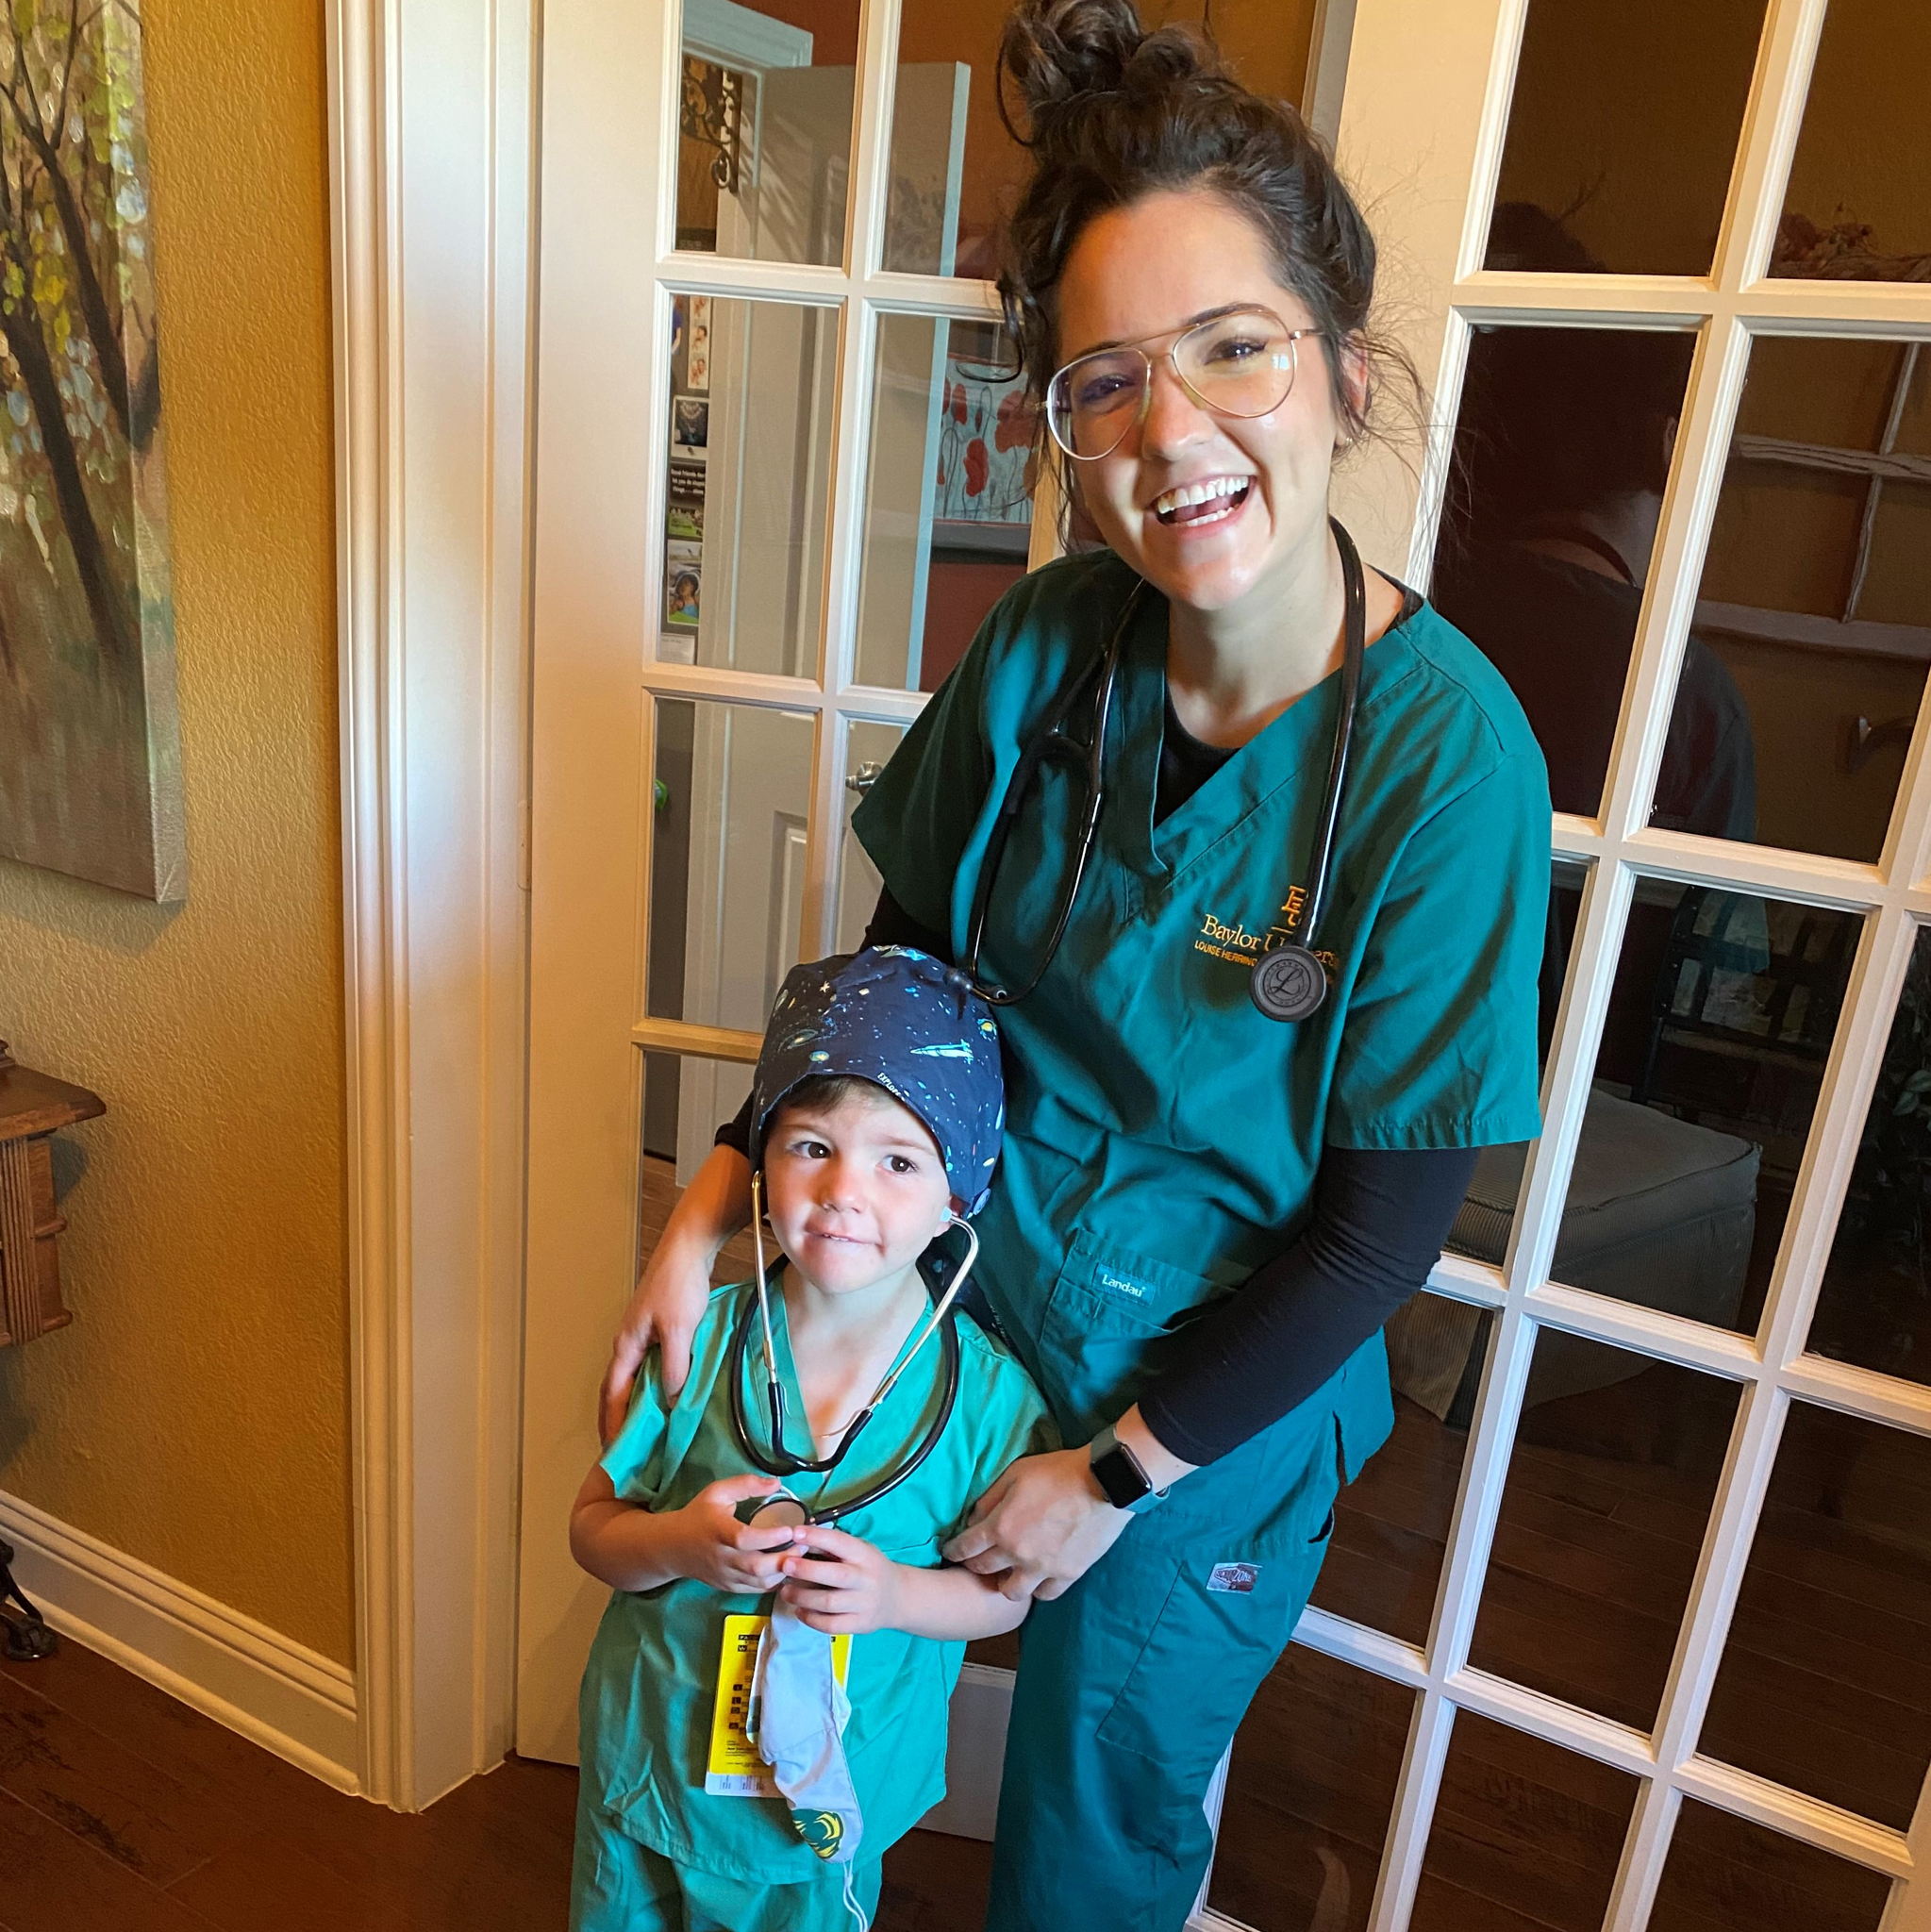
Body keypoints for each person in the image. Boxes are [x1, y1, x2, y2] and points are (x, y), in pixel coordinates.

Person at [608, 4, 1550, 1925]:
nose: (1170, 436)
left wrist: (1108, 1477)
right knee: (812, 1725)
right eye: (1103, 380)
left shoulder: (1450, 765)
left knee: (1089, 1832)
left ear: (1344, 373)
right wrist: (712, 1195)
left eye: (1232, 351)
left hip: (1205, 1420)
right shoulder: (1052, 645)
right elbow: (898, 974)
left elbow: (1381, 1233)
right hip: (955, 1326)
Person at [571, 948, 1053, 1932]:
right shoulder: (698, 1344)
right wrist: (676, 1544)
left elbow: (1003, 1598)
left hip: (824, 1815)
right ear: (761, 1159)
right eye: (808, 1144)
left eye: (898, 1159)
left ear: (958, 1194)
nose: (843, 1188)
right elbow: (592, 1532)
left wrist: (896, 1594)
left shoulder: (989, 1403)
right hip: (648, 1784)